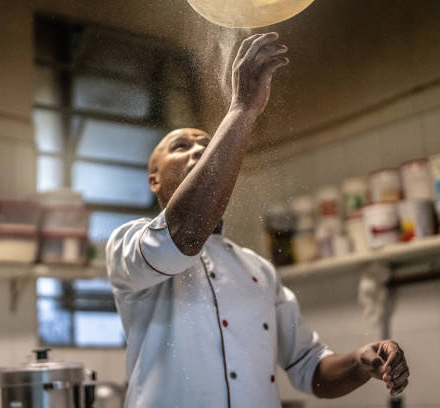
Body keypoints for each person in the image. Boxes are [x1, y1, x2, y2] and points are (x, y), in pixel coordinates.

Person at [106, 32, 409, 408]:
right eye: (181, 146)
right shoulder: (127, 246)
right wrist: (241, 110)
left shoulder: (258, 270)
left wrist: (360, 364)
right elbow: (180, 237)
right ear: (153, 179)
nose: (199, 149)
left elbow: (310, 368)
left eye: (206, 143)